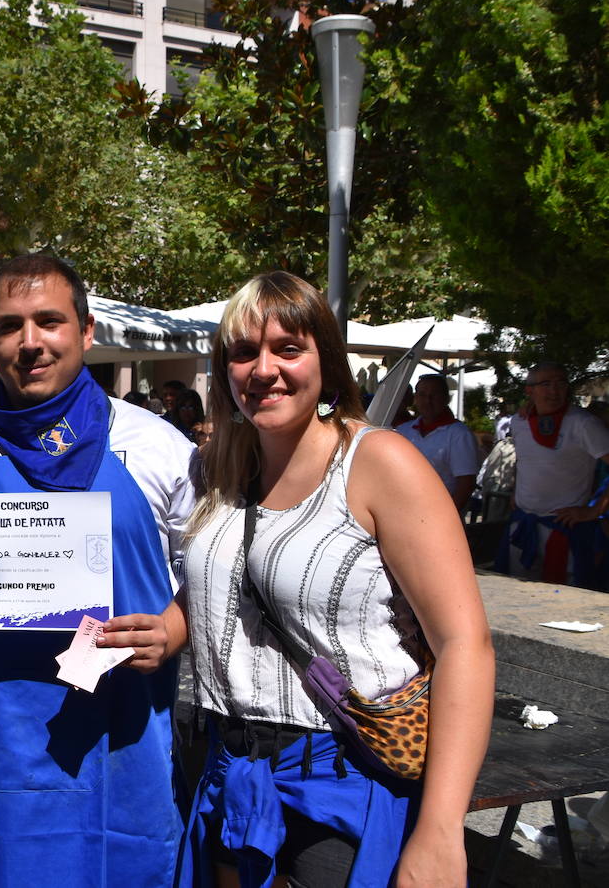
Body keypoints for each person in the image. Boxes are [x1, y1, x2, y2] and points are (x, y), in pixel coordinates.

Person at [167, 272, 493, 887]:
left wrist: (442, 831)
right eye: (244, 352)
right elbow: (228, 584)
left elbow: (464, 644)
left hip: (339, 780)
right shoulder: (221, 467)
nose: (264, 369)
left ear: (326, 361)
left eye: (288, 348)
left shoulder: (379, 462)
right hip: (228, 771)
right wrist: (166, 627)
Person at [0, 253, 196, 885]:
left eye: (49, 321)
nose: (29, 342)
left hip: (123, 758)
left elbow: (208, 584)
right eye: (9, 326)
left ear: (87, 331)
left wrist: (173, 629)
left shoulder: (159, 448)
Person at [496, 362, 609, 589]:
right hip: (523, 525)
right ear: (530, 390)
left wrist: (594, 510)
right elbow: (523, 459)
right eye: (546, 384)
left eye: (560, 383)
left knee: (563, 600)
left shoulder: (583, 424)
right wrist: (515, 491)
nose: (554, 390)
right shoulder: (519, 422)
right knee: (517, 595)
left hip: (564, 530)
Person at [395, 374, 482, 512]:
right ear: (415, 398)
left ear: (446, 398)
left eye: (434, 395)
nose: (428, 401)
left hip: (438, 514)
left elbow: (466, 484)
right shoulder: (403, 431)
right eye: (422, 395)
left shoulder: (459, 434)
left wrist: (446, 516)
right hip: (403, 512)